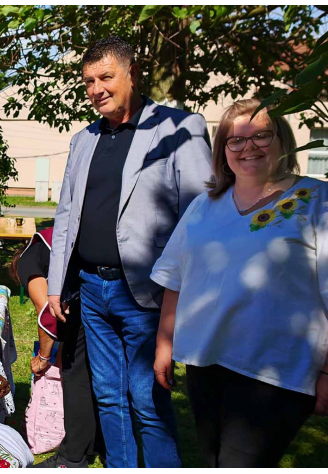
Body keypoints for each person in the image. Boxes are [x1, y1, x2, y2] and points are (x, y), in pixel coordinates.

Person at [151, 98, 328, 468]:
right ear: (223, 150)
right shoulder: (205, 205)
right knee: (211, 461)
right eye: (235, 140)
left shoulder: (321, 201)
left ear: (283, 141)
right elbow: (175, 279)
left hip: (275, 373)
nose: (248, 147)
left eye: (261, 136)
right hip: (206, 363)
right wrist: (164, 344)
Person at [46, 36, 213, 468]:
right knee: (108, 396)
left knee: (147, 400)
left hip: (147, 294)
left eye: (106, 77)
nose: (96, 88)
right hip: (90, 289)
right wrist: (54, 285)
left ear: (131, 75)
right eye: (88, 81)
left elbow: (199, 216)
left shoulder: (179, 128)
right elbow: (66, 214)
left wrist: (188, 294)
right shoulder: (83, 140)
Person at [12, 228, 104, 468]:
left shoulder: (27, 262)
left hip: (88, 292)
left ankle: (72, 455)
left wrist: (44, 357)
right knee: (96, 371)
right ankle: (100, 442)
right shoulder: (49, 241)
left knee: (75, 375)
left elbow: (48, 313)